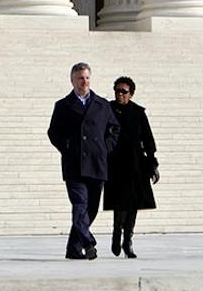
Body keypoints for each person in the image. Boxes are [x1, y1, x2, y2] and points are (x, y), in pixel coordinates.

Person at [46, 61, 117, 260]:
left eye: (86, 78)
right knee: (80, 205)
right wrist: (67, 148)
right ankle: (88, 242)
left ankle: (73, 248)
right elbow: (53, 132)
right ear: (72, 81)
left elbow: (114, 129)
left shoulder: (102, 104)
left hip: (97, 163)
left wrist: (105, 148)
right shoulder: (63, 106)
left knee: (91, 209)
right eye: (80, 78)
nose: (84, 82)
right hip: (74, 165)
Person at [102, 76, 158, 258]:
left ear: (131, 94)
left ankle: (128, 240)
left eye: (123, 91)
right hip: (115, 164)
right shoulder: (108, 110)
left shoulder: (138, 113)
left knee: (133, 203)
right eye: (117, 90)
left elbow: (148, 140)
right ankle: (116, 233)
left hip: (135, 165)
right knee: (119, 202)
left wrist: (153, 164)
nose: (119, 94)